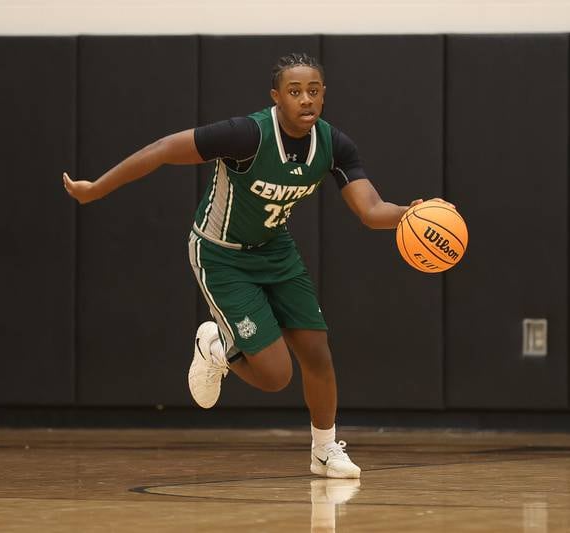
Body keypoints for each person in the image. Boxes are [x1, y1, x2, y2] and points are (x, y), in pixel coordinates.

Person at [64, 52, 451, 479]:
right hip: (220, 253)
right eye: (295, 91)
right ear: (276, 97)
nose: (306, 99)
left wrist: (410, 213)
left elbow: (371, 210)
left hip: (274, 250)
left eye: (314, 91)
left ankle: (324, 451)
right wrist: (96, 188)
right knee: (273, 376)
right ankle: (214, 345)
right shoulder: (247, 135)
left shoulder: (335, 145)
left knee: (317, 353)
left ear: (324, 96)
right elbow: (162, 150)